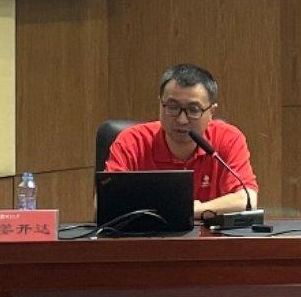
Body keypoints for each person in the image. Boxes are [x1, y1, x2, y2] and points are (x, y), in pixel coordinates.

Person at [104, 63, 259, 220]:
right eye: (172, 107)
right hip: (145, 234)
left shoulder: (228, 139)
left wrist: (193, 209)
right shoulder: (132, 142)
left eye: (193, 110)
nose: (182, 120)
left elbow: (247, 199)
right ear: (160, 104)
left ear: (211, 112)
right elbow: (104, 204)